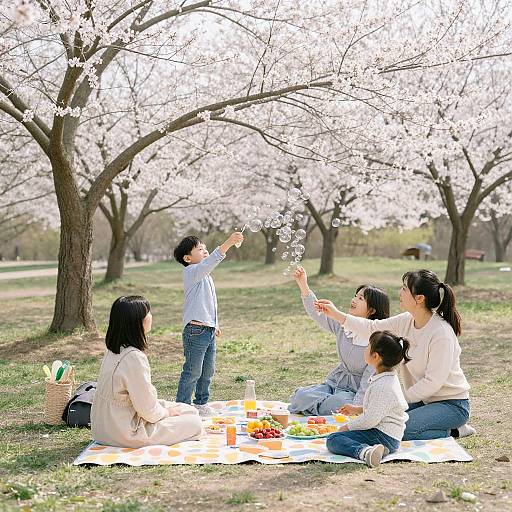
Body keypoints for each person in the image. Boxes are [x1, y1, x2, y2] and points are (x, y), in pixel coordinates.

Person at [315, 269, 474, 440]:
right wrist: (335, 314)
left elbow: (432, 383)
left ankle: (455, 430)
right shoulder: (406, 320)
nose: (400, 292)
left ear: (419, 299)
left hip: (452, 405)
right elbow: (371, 328)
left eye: (405, 288)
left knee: (399, 429)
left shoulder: (441, 334)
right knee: (382, 422)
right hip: (423, 401)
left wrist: (398, 400)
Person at [91, 296, 202, 448]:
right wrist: (167, 413)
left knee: (187, 409)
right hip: (124, 432)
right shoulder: (134, 358)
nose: (151, 316)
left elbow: (143, 402)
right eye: (148, 312)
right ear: (137, 322)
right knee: (193, 421)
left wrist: (166, 410)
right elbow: (148, 410)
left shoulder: (114, 350)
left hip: (103, 428)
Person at [288, 266, 390, 415]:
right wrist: (304, 285)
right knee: (301, 396)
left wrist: (356, 407)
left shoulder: (377, 341)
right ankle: (320, 407)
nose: (354, 300)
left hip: (354, 393)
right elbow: (318, 314)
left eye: (361, 298)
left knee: (340, 403)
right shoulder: (344, 326)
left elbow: (367, 381)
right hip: (333, 383)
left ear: (372, 310)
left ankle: (315, 408)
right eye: (356, 295)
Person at [174, 232, 244, 416]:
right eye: (200, 249)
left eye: (205, 248)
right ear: (188, 258)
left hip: (208, 329)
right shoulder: (191, 272)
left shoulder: (206, 276)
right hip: (195, 330)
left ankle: (201, 404)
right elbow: (210, 262)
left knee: (208, 370)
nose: (205, 251)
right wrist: (228, 243)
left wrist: (215, 324)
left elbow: (210, 302)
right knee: (192, 371)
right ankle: (182, 407)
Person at [326, 331, 410, 467]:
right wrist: (357, 409)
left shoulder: (382, 385)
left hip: (384, 436)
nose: (365, 349)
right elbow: (379, 408)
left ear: (375, 356)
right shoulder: (386, 377)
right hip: (386, 434)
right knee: (341, 436)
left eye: (368, 346)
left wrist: (347, 427)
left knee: (334, 439)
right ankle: (377, 450)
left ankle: (366, 452)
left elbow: (371, 419)